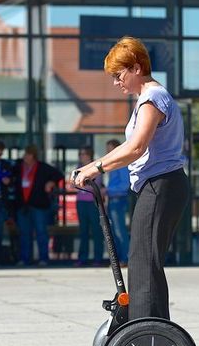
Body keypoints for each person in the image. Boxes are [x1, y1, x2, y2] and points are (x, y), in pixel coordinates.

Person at [72, 36, 189, 321]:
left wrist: (94, 168)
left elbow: (136, 147)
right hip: (158, 185)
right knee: (145, 262)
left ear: (136, 67)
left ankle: (148, 331)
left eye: (119, 74)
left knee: (143, 263)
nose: (116, 82)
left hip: (162, 184)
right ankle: (154, 327)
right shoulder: (147, 99)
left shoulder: (153, 97)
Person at [13, 144, 63, 266]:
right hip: (22, 205)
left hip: (38, 205)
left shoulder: (42, 167)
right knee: (25, 233)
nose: (25, 157)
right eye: (25, 154)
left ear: (33, 156)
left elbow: (59, 175)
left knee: (41, 232)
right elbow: (10, 176)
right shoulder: (19, 167)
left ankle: (43, 258)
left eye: (28, 154)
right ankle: (25, 259)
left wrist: (51, 182)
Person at [74, 146, 104, 266]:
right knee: (83, 231)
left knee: (96, 230)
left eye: (84, 154)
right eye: (80, 154)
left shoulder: (94, 167)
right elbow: (73, 183)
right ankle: (83, 257)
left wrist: (83, 184)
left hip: (93, 202)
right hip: (81, 202)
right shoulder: (78, 168)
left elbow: (97, 184)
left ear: (89, 155)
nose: (81, 156)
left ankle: (98, 258)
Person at [105, 138, 130, 265]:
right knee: (114, 230)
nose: (108, 153)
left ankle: (125, 258)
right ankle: (120, 258)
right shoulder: (114, 164)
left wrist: (107, 189)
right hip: (112, 199)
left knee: (119, 230)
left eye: (110, 150)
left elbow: (125, 184)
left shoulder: (122, 163)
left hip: (119, 199)